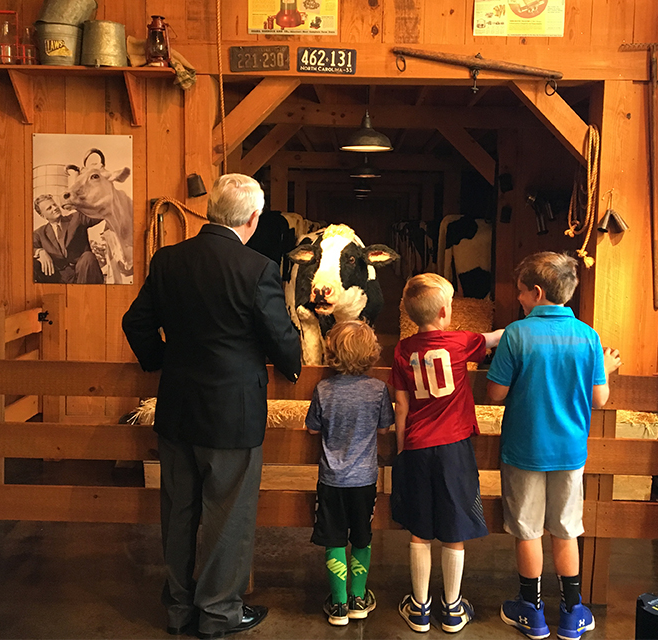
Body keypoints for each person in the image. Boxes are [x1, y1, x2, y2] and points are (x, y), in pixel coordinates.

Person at [122, 174, 302, 638]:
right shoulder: (257, 268)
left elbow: (135, 322)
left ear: (210, 212)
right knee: (228, 515)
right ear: (253, 218)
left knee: (180, 511)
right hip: (233, 415)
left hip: (178, 408)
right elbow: (280, 337)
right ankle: (219, 612)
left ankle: (180, 609)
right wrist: (292, 365)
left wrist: (163, 361)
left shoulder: (169, 261)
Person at [487, 252, 621, 640]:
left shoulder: (516, 334)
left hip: (524, 448)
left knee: (527, 530)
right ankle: (572, 613)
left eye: (522, 294)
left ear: (538, 292)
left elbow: (496, 392)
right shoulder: (588, 336)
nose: (520, 301)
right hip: (569, 451)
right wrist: (606, 371)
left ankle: (532, 611)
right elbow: (599, 399)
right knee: (566, 529)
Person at [390, 272, 504, 634]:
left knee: (420, 529)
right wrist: (530, 323)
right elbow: (496, 338)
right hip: (455, 447)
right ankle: (453, 608)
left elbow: (401, 407)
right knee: (454, 526)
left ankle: (420, 608)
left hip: (418, 446)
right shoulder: (460, 342)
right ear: (444, 312)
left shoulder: (403, 350)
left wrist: (401, 452)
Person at [305, 320, 394, 627]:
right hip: (365, 479)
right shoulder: (378, 389)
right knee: (361, 536)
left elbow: (312, 426)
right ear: (371, 353)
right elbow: (385, 427)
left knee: (333, 538)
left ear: (332, 353)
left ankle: (339, 604)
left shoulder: (323, 389)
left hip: (331, 478)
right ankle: (358, 596)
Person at [32, 194, 103, 284]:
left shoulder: (76, 218)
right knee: (33, 264)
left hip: (83, 272)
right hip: (57, 277)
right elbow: (24, 248)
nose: (54, 208)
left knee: (88, 257)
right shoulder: (39, 233)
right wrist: (40, 251)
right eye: (49, 208)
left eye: (54, 205)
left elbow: (98, 213)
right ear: (43, 216)